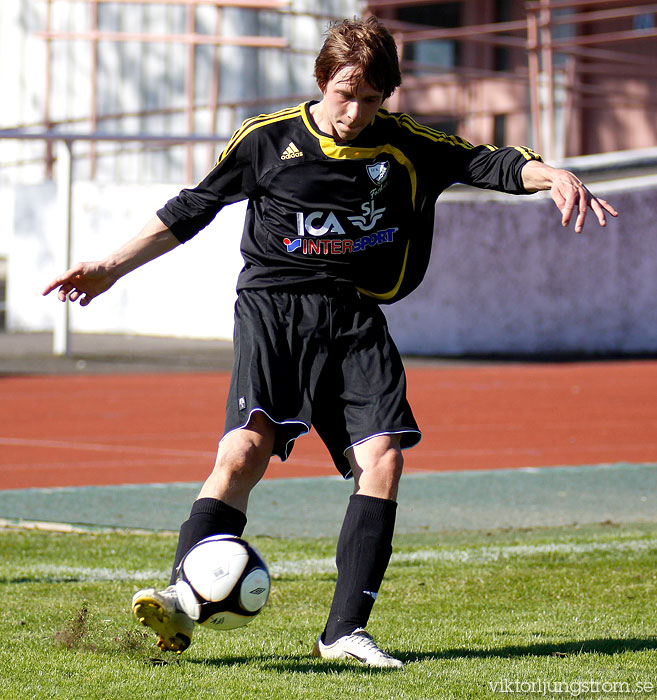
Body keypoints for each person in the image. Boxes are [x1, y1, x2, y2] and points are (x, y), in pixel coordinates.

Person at [43, 17, 617, 668]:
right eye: (345, 93)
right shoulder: (268, 141)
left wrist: (554, 176)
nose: (355, 111)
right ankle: (182, 598)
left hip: (352, 318)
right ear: (321, 81)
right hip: (273, 310)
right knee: (244, 451)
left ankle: (343, 632)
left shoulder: (402, 145)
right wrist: (110, 267)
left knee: (385, 459)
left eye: (371, 99)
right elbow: (191, 207)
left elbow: (486, 163)